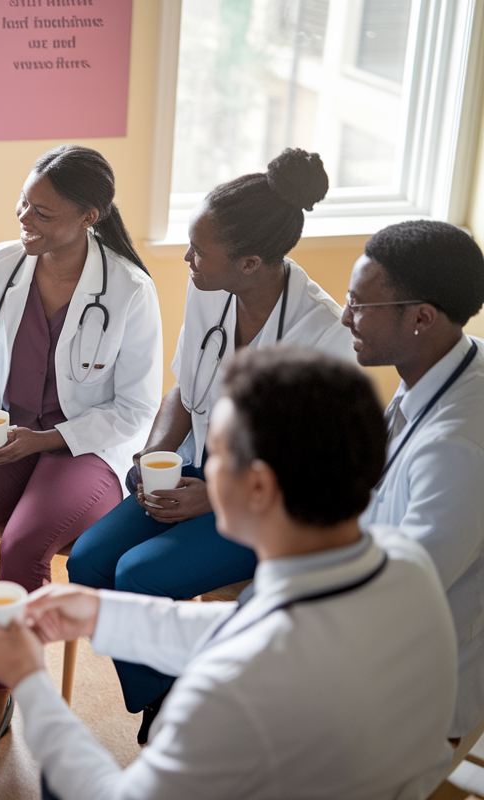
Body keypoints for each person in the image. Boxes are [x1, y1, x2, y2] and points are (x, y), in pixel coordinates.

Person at [0, 346, 457, 800]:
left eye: (213, 455)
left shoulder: (226, 693)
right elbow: (253, 630)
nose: (196, 468)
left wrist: (29, 679)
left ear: (258, 486)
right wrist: (99, 613)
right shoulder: (404, 563)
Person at [65, 148, 356, 735]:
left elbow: (317, 468)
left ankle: (175, 713)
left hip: (276, 503)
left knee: (139, 574)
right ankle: (173, 696)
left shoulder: (324, 336)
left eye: (199, 249)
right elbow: (183, 388)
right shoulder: (209, 289)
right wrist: (153, 454)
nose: (186, 257)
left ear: (250, 262)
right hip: (200, 468)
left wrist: (214, 499)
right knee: (89, 560)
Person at [0, 145, 163, 770]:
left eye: (43, 213)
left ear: (89, 216)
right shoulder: (2, 265)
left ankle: (0, 693)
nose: (25, 218)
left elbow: (136, 409)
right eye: (24, 203)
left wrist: (47, 440)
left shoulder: (128, 289)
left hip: (84, 449)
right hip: (8, 435)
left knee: (24, 547)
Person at [342, 220, 484, 741]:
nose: (345, 317)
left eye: (360, 305)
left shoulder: (458, 448)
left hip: (412, 693)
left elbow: (398, 593)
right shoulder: (453, 365)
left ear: (422, 317)